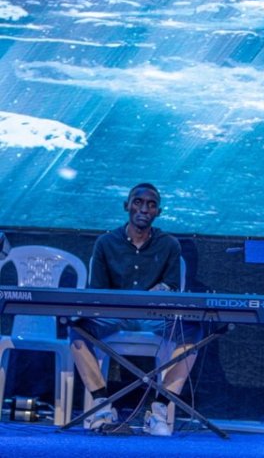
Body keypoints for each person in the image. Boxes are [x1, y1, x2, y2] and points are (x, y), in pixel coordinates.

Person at [69, 183, 200, 436]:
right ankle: (102, 405)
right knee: (77, 329)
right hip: (114, 316)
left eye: (151, 205)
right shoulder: (106, 242)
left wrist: (157, 293)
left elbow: (172, 285)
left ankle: (159, 408)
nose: (144, 209)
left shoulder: (169, 244)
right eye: (138, 202)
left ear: (158, 212)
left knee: (193, 332)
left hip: (153, 317)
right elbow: (97, 291)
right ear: (126, 206)